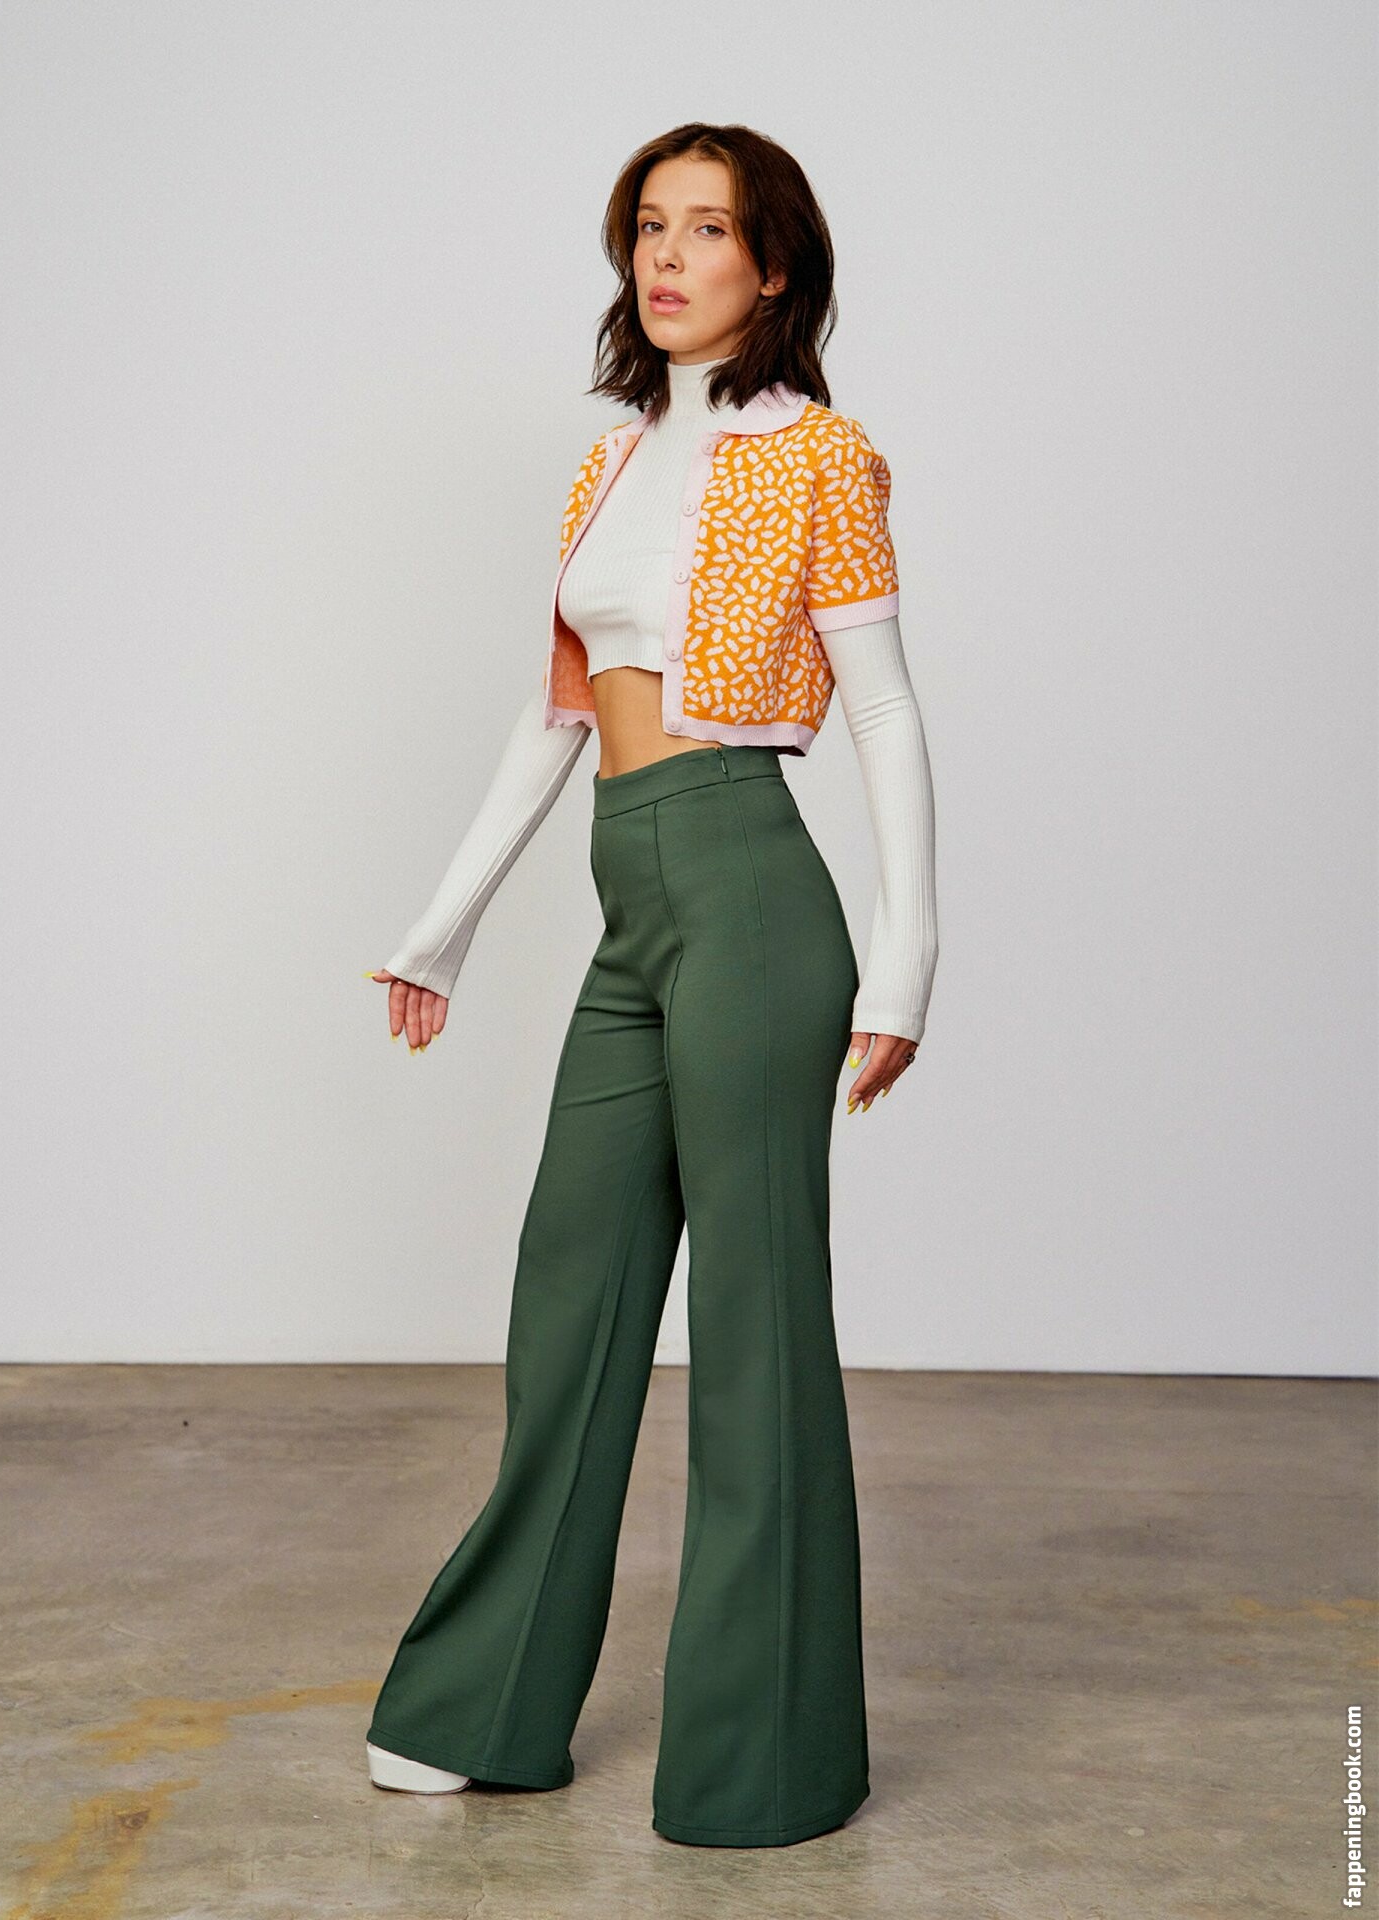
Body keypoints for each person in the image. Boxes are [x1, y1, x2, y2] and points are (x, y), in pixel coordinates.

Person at [362, 122, 938, 1850]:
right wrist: (443, 926)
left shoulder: (821, 455)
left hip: (752, 885)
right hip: (635, 898)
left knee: (756, 1323)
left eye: (709, 229)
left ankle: (767, 1760)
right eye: (649, 227)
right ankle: (486, 1704)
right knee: (575, 1288)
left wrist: (907, 956)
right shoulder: (605, 466)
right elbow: (556, 714)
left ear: (775, 266)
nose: (669, 256)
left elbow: (885, 706)